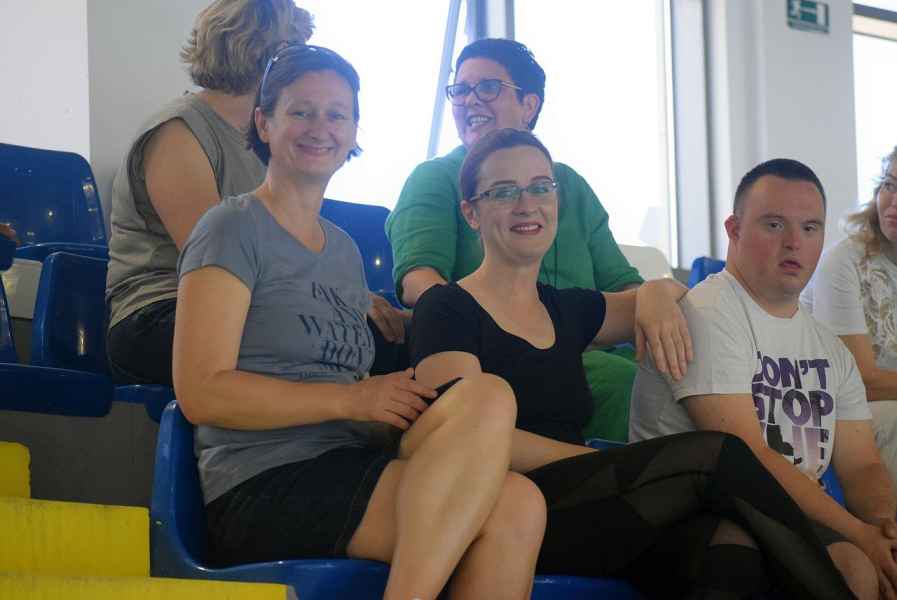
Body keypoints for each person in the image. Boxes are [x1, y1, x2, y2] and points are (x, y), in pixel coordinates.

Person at [409, 128, 859, 599]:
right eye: (504, 192)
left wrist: (655, 292)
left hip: (587, 505)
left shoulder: (565, 308)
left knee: (727, 543)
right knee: (716, 453)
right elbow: (462, 441)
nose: (528, 205)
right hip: (503, 511)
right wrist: (600, 460)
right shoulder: (445, 307)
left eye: (541, 187)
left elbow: (674, 295)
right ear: (471, 213)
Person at [173, 46, 547, 600]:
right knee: (507, 506)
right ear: (264, 123)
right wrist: (354, 399)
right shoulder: (230, 228)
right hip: (261, 480)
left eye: (337, 114)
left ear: (352, 132)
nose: (320, 128)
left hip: (348, 462)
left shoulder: (344, 251)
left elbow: (351, 399)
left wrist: (394, 404)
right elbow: (201, 393)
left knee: (508, 462)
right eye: (301, 111)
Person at [630, 158, 893, 599]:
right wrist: (858, 534)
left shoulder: (830, 349)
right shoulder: (708, 312)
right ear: (733, 230)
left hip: (783, 515)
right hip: (690, 516)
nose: (794, 242)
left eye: (810, 228)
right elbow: (746, 458)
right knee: (835, 564)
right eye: (774, 225)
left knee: (865, 570)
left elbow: (862, 465)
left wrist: (884, 530)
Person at [386, 38, 642, 442]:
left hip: (587, 336)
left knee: (678, 372)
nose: (470, 100)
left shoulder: (570, 184)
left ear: (529, 105)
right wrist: (507, 332)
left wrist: (660, 308)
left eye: (487, 87)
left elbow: (625, 284)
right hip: (500, 347)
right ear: (472, 211)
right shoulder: (435, 177)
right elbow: (419, 281)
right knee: (625, 381)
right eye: (461, 89)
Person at [105, 0, 309, 385]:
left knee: (366, 338)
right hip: (158, 312)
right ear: (275, 54)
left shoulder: (267, 141)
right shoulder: (177, 132)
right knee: (309, 344)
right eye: (295, 51)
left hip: (242, 307)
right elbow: (219, 262)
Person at [802, 146, 897, 488]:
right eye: (890, 185)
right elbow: (860, 382)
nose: (893, 202)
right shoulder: (844, 263)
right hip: (834, 407)